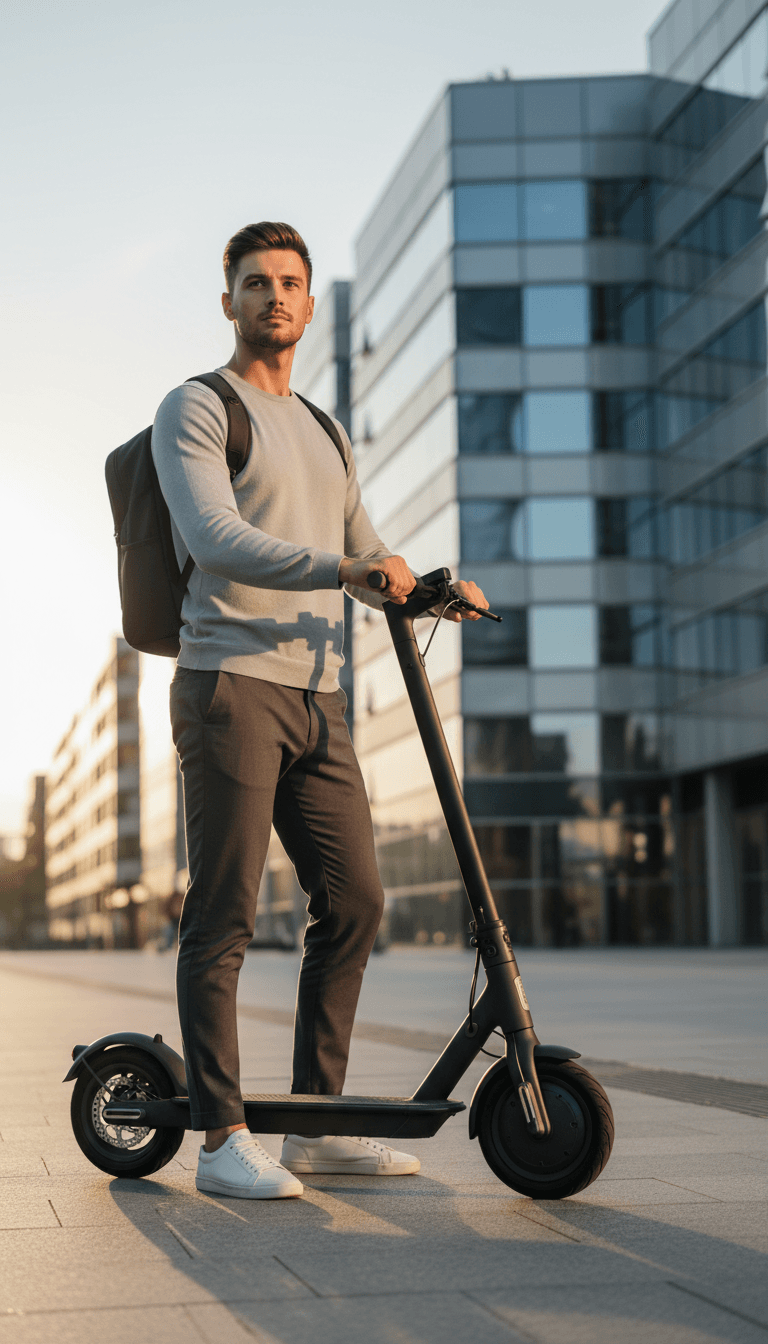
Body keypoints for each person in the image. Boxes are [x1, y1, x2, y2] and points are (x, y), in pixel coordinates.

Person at [152, 221, 488, 1200]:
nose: (275, 297)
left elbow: (366, 545)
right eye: (255, 283)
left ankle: (314, 1123)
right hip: (231, 687)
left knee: (356, 901)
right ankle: (220, 1141)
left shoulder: (328, 430)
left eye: (290, 282)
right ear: (230, 302)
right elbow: (215, 538)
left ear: (309, 302)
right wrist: (343, 570)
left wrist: (427, 588)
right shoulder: (199, 407)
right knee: (223, 917)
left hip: (320, 697)